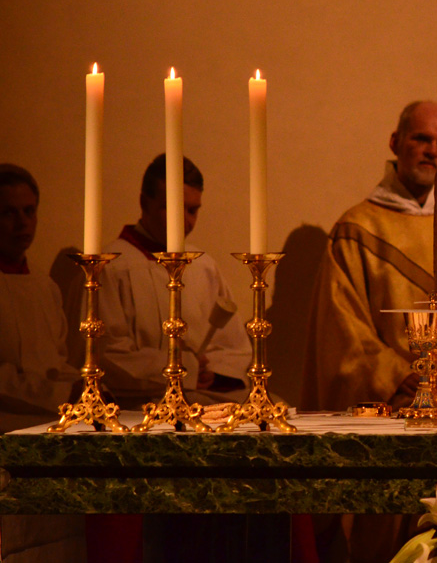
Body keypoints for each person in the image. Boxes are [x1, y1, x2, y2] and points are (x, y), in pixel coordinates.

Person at [300, 100, 437, 412]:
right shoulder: (357, 228)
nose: (432, 151)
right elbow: (342, 324)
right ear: (395, 142)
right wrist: (393, 374)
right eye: (421, 139)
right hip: (393, 396)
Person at [92, 154, 250, 408]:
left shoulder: (202, 265)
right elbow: (107, 355)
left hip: (202, 399)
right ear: (144, 203)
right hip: (136, 407)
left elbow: (234, 347)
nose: (185, 221)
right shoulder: (110, 266)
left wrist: (214, 373)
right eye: (173, 208)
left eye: (192, 210)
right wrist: (184, 369)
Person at [0, 164, 85, 562]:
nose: (22, 223)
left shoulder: (46, 286)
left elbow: (57, 360)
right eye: (8, 212)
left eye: (29, 211)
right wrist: (62, 391)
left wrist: (86, 385)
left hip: (50, 437)